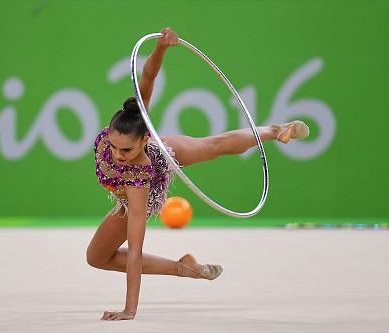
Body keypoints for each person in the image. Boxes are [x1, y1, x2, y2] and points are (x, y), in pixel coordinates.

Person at [86, 27, 310, 321]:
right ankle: (185, 267)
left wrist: (130, 309)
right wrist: (162, 48)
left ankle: (272, 130)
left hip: (150, 172)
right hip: (130, 180)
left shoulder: (139, 181)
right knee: (96, 257)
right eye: (113, 146)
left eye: (125, 151)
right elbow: (149, 77)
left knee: (213, 145)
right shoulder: (125, 130)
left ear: (145, 140)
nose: (116, 155)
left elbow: (136, 251)